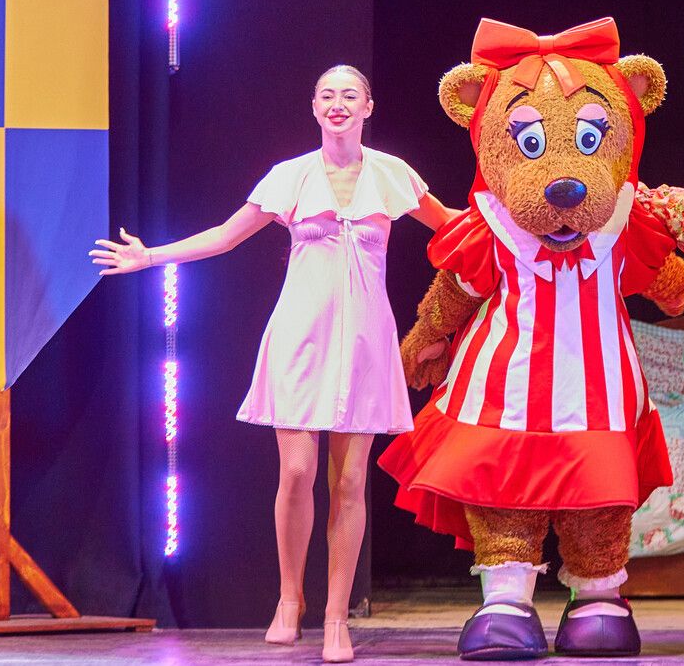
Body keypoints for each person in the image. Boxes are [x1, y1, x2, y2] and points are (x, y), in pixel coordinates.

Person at [92, 65, 456, 663]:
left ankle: (337, 615)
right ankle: (291, 598)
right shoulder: (290, 177)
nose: (338, 104)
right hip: (299, 338)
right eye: (327, 95)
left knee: (350, 482)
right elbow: (225, 236)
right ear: (314, 107)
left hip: (365, 343)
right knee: (296, 472)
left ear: (369, 105)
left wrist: (521, 239)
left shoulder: (394, 176)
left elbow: (455, 233)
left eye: (350, 95)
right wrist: (151, 256)